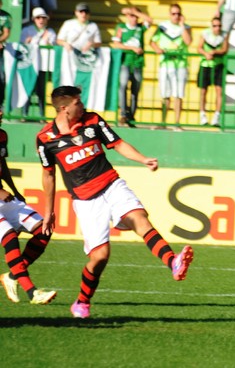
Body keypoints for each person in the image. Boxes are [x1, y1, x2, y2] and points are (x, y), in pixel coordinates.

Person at [36, 86, 194, 318]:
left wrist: (143, 159)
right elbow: (48, 174)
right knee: (100, 256)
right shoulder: (45, 139)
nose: (83, 106)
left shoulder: (93, 121)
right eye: (78, 103)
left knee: (140, 220)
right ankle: (82, 302)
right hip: (86, 199)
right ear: (64, 108)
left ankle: (173, 262)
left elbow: (118, 144)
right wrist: (49, 211)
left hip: (111, 185)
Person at [0, 110, 56, 305]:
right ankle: (32, 293)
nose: (0, 112)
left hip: (4, 198)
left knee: (44, 228)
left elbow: (2, 165)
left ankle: (12, 276)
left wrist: (14, 189)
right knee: (9, 236)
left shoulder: (2, 135)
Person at [150, 4, 192, 131]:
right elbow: (152, 41)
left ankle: (177, 123)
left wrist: (182, 26)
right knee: (165, 94)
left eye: (178, 14)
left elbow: (188, 42)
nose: (176, 16)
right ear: (169, 14)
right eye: (173, 14)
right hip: (166, 64)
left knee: (178, 94)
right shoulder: (163, 26)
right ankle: (163, 122)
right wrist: (157, 49)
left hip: (180, 65)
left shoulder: (186, 27)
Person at [111, 6, 152, 128]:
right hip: (125, 62)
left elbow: (150, 21)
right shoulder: (121, 28)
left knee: (135, 91)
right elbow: (116, 44)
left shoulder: (140, 28)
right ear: (127, 16)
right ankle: (123, 113)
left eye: (135, 16)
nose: (133, 18)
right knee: (122, 86)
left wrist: (136, 12)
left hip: (138, 63)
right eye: (131, 15)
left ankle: (131, 116)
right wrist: (132, 48)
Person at [20, 6, 56, 120]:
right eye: (38, 18)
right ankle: (24, 114)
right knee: (28, 88)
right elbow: (22, 47)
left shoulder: (50, 32)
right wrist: (27, 42)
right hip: (30, 65)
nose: (41, 20)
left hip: (43, 66)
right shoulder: (26, 31)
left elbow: (53, 46)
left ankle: (42, 115)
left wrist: (47, 42)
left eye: (43, 17)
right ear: (34, 19)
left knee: (41, 90)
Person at [196, 17, 229, 127]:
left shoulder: (224, 35)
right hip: (205, 65)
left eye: (219, 26)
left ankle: (216, 117)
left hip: (218, 65)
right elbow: (199, 48)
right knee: (203, 91)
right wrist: (206, 54)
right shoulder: (205, 34)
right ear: (211, 26)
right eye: (215, 26)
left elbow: (225, 49)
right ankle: (202, 115)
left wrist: (215, 52)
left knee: (219, 91)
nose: (217, 28)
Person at [0, 0, 12, 112]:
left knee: (1, 77)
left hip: (0, 50)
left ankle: (0, 103)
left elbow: (6, 33)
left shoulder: (5, 16)